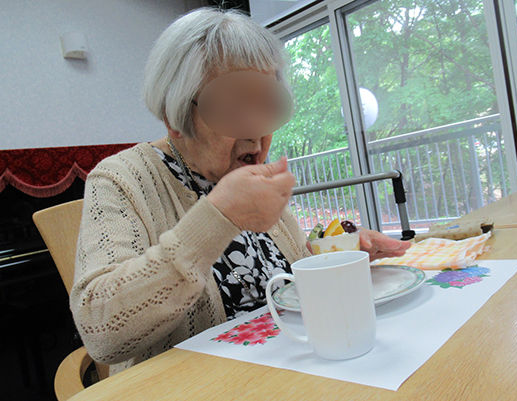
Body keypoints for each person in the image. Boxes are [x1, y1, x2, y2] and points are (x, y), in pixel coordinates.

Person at [71, 7, 411, 376]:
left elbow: (286, 276)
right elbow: (100, 332)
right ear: (174, 116)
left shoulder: (247, 174)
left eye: (265, 105)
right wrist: (219, 216)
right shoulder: (121, 179)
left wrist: (335, 256)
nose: (254, 132)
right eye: (233, 109)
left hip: (288, 369)